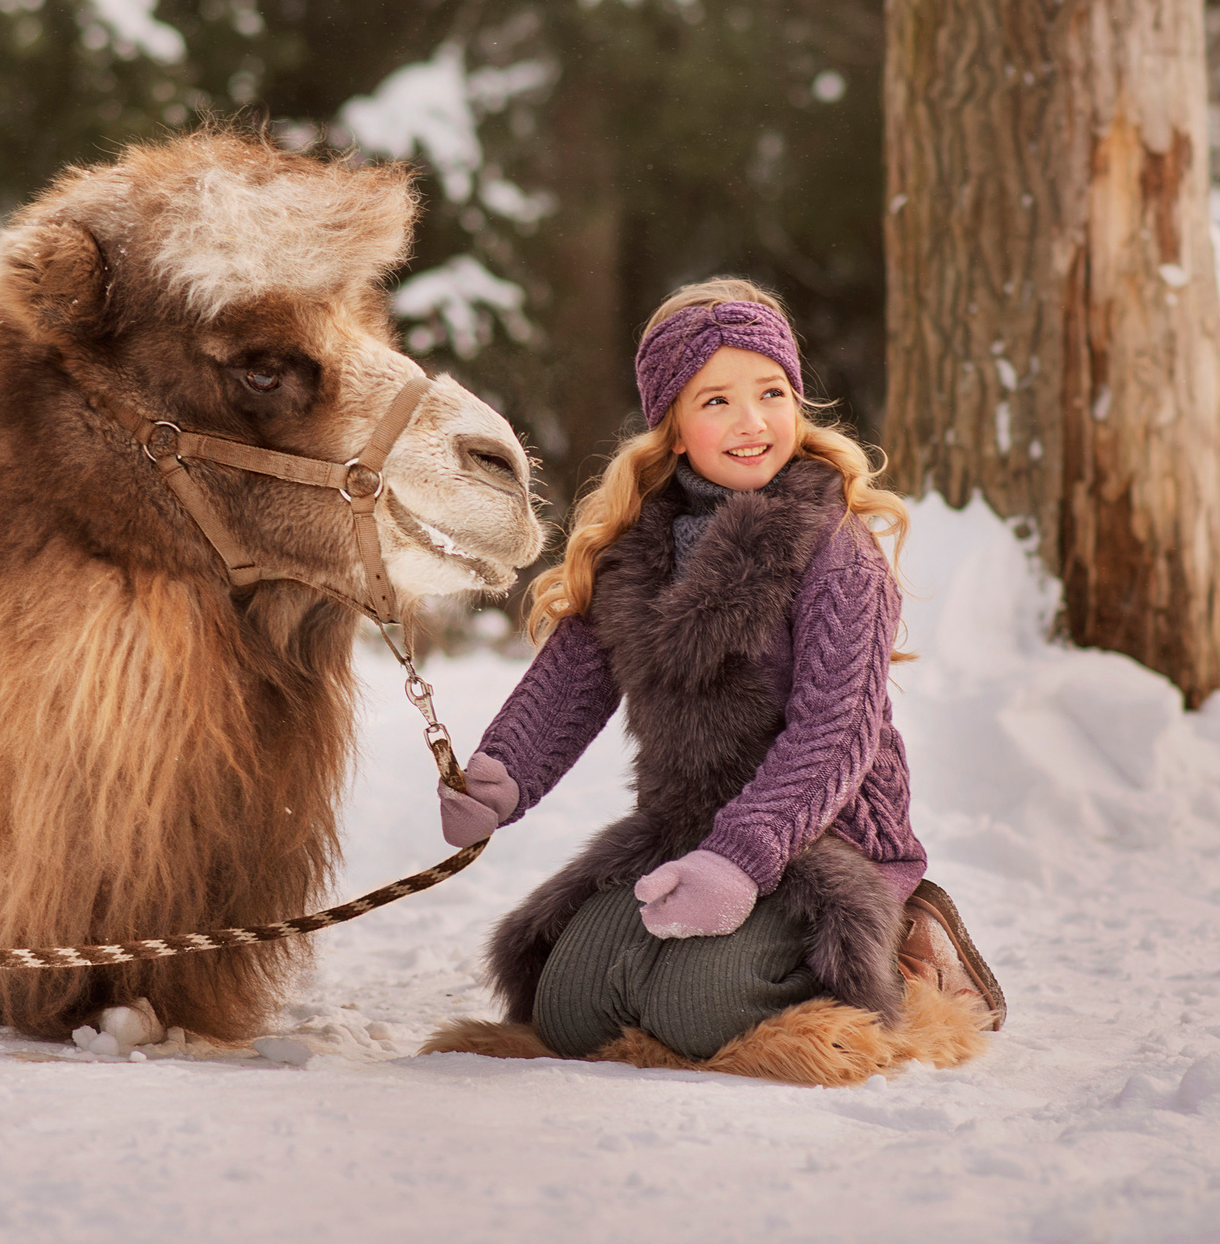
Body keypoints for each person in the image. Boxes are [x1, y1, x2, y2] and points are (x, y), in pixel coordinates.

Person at [425, 279, 1005, 1078]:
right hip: (681, 828)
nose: (751, 421)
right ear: (672, 425)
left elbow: (833, 734)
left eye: (771, 393)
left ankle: (910, 946)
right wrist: (499, 776)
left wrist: (739, 859)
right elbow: (570, 682)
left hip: (818, 838)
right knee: (571, 1006)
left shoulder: (834, 549)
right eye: (716, 400)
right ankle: (704, 938)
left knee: (699, 1009)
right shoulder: (636, 548)